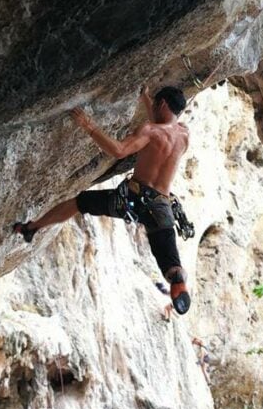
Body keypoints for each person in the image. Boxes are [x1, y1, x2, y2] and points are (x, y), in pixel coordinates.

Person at [14, 86, 191, 315]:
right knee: (169, 258)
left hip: (132, 199)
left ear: (163, 104)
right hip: (161, 206)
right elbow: (160, 128)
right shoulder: (184, 136)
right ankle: (177, 278)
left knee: (80, 202)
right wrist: (146, 98)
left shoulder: (149, 130)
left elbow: (119, 151)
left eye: (156, 103)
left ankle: (32, 227)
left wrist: (89, 126)